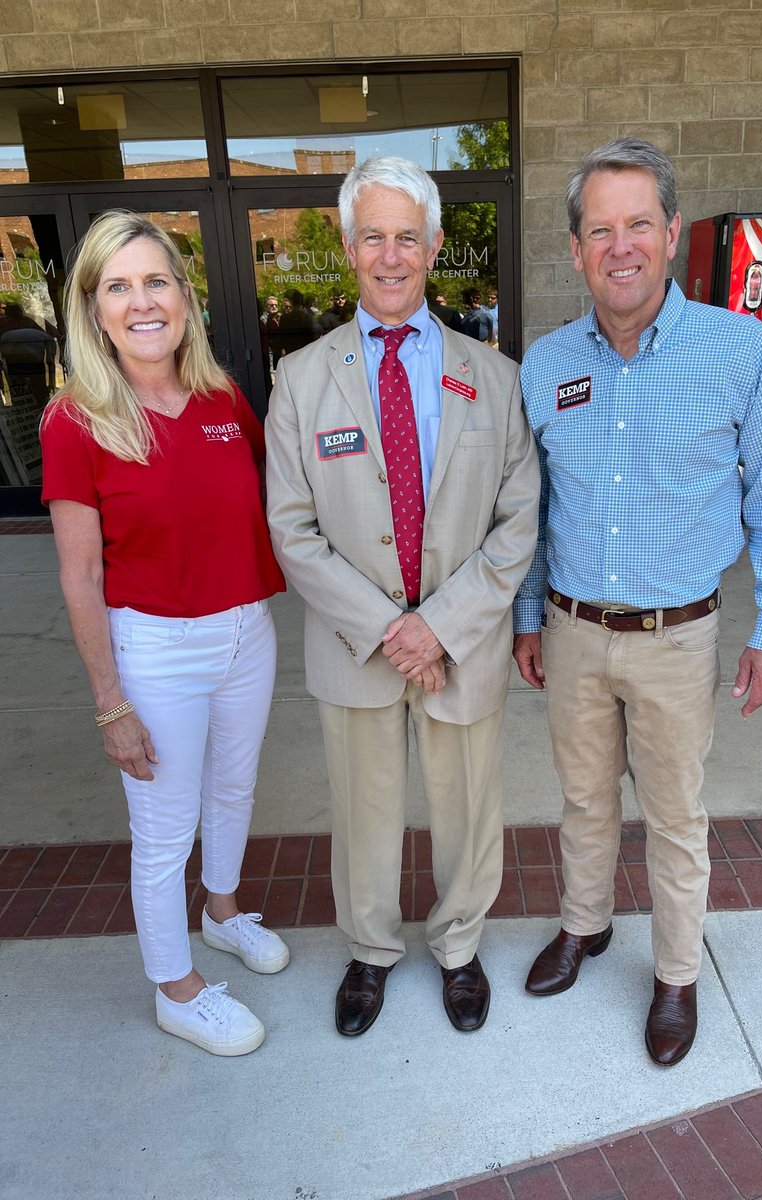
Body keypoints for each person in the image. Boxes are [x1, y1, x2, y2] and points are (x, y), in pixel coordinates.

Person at [512, 138, 762, 1066]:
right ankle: (586, 927)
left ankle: (676, 975)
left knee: (676, 816)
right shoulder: (546, 362)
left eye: (638, 223)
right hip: (571, 631)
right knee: (583, 801)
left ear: (672, 233)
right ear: (575, 249)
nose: (621, 245)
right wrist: (528, 616)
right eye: (600, 229)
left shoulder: (738, 351)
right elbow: (531, 504)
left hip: (679, 638)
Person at [266, 156, 539, 1037]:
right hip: (358, 648)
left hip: (463, 646)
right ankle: (370, 950)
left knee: (469, 807)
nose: (391, 255)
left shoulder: (493, 376)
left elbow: (517, 521)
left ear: (433, 249)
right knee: (365, 810)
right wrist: (391, 627)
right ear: (348, 248)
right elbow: (292, 531)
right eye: (374, 236)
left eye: (408, 237)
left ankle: (459, 948)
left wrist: (441, 628)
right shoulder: (300, 381)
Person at [40, 211, 289, 1057]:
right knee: (163, 826)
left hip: (245, 633)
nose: (142, 302)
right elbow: (79, 575)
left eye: (157, 282)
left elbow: (276, 505)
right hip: (154, 649)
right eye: (119, 286)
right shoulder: (75, 421)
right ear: (93, 308)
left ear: (184, 296)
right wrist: (111, 703)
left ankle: (222, 915)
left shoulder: (223, 400)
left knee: (233, 790)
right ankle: (176, 990)